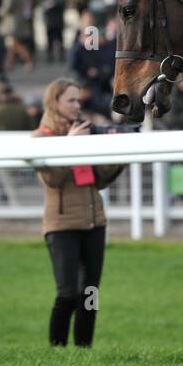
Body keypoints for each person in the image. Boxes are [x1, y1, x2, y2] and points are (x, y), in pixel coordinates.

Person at [31, 78, 125, 348]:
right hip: (61, 225)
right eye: (70, 100)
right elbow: (52, 179)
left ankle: (84, 351)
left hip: (94, 222)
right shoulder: (41, 137)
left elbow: (99, 180)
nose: (76, 105)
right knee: (67, 293)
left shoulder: (85, 131)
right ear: (54, 102)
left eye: (78, 100)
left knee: (90, 293)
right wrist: (69, 145)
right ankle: (57, 350)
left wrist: (117, 153)